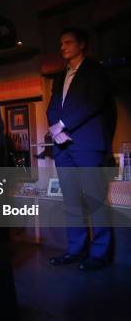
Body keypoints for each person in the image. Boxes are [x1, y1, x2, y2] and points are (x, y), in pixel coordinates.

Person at [46, 28, 113, 271]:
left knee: (95, 200)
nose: (63, 47)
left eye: (68, 42)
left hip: (86, 145)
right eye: (60, 43)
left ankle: (100, 253)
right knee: (72, 202)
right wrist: (55, 128)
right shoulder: (59, 77)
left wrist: (63, 124)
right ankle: (76, 250)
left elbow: (92, 102)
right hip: (63, 147)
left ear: (81, 44)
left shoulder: (95, 71)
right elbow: (53, 107)